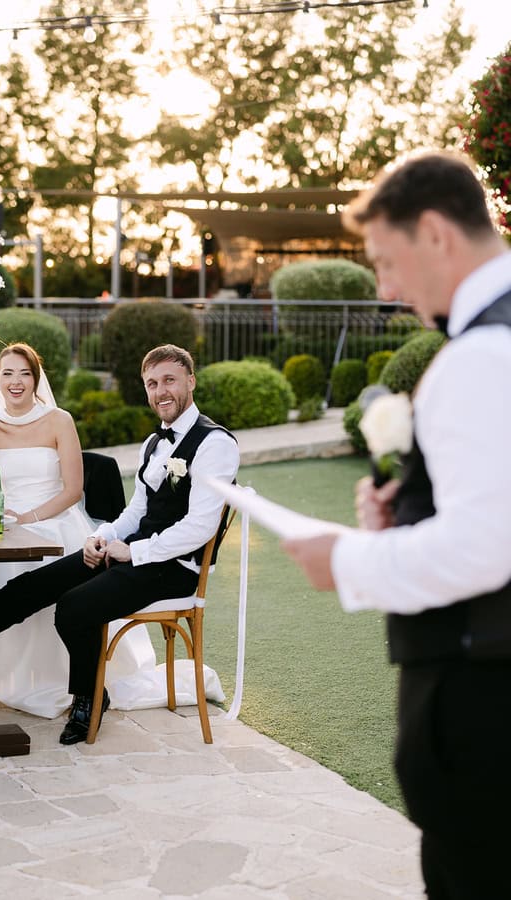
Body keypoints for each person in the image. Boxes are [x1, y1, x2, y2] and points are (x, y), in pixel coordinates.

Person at [283, 152, 511, 900]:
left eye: (385, 261)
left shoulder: (481, 356)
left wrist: (348, 561)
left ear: (437, 234)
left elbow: (487, 546)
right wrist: (406, 514)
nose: (384, 289)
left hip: (484, 704)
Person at [0, 343, 240, 744]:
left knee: (74, 607)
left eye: (169, 381)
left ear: (190, 382)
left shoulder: (215, 443)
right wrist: (103, 536)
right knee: (26, 588)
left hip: (175, 569)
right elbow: (136, 513)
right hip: (132, 555)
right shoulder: (154, 443)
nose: (160, 391)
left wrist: (135, 550)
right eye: (151, 383)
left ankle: (89, 698)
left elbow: (200, 526)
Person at [0, 342, 155, 718]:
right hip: (9, 521)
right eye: (7, 374)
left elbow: (73, 490)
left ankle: (58, 679)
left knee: (31, 578)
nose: (16, 382)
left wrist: (31, 519)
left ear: (36, 379)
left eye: (24, 373)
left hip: (56, 521)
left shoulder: (58, 420)